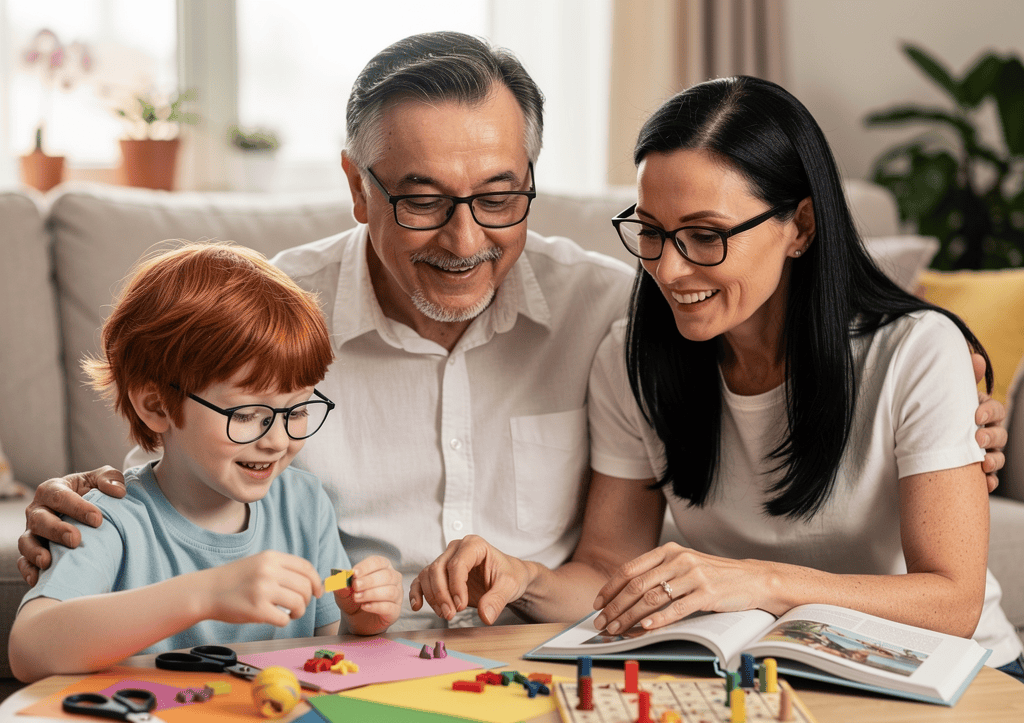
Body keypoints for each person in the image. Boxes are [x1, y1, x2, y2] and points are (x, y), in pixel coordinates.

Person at [15, 35, 1006, 631]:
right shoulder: (273, 318)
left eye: (499, 198)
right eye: (421, 201)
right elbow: (167, 478)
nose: (465, 241)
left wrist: (957, 384)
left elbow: (860, 357)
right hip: (330, 662)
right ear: (357, 187)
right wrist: (86, 499)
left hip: (534, 665)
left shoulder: (614, 313)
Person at [409, 75, 1024, 678]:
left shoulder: (917, 352)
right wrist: (527, 579)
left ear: (800, 227)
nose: (669, 270)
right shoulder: (634, 360)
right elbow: (605, 571)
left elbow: (952, 604)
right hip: (775, 678)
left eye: (706, 236)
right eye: (650, 233)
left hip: (959, 681)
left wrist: (759, 581)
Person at [8, 244, 402, 683]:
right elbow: (30, 649)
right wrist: (206, 593)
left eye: (296, 411)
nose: (277, 440)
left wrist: (360, 621)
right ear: (156, 406)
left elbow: (326, 654)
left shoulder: (304, 504)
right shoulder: (109, 519)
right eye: (246, 415)